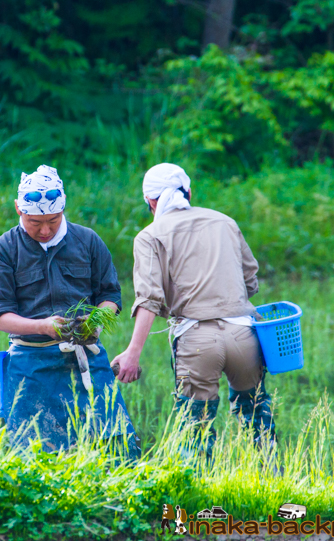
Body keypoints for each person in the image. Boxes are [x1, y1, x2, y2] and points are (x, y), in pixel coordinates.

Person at [111, 163, 274, 459]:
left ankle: (197, 497)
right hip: (245, 334)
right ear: (188, 192)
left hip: (196, 341)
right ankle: (274, 484)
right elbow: (250, 280)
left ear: (150, 202)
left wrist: (132, 353)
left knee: (195, 431)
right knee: (257, 419)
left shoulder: (149, 236)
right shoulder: (225, 222)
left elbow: (148, 299)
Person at [0, 165, 139, 457]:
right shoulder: (3, 250)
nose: (44, 230)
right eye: (34, 223)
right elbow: (0, 315)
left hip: (87, 358)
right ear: (18, 209)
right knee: (33, 454)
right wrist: (42, 326)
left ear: (63, 207)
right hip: (31, 363)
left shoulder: (88, 241)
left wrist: (96, 320)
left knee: (116, 446)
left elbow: (110, 295)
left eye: (53, 221)